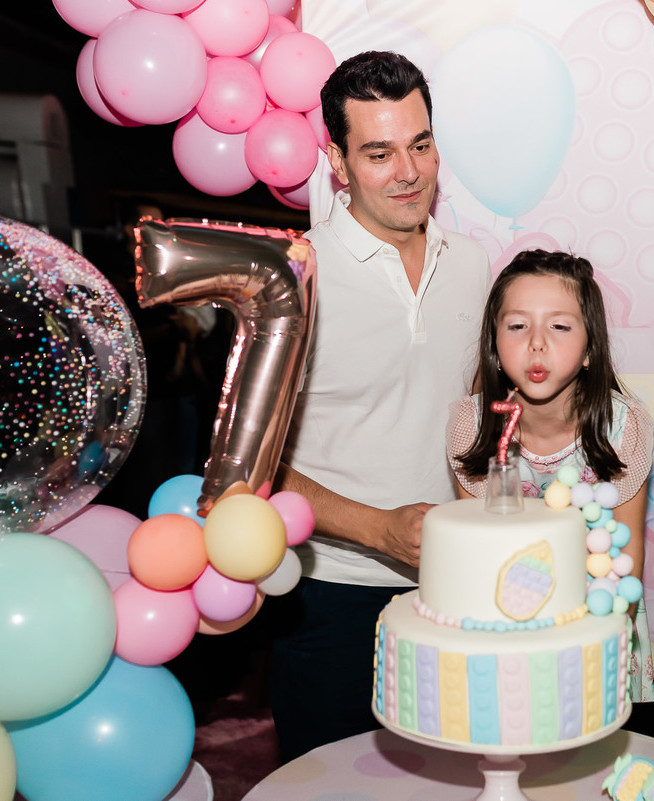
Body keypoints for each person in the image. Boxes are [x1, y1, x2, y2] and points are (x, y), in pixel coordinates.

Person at [266, 50, 490, 761]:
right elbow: (251, 465)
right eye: (379, 153)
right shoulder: (293, 278)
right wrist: (377, 528)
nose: (408, 171)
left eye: (421, 145)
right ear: (337, 161)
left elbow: (476, 417)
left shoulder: (473, 265)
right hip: (327, 596)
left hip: (453, 589)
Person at [445, 249, 654, 699]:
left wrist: (587, 654)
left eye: (559, 326)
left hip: (600, 635)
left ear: (590, 349)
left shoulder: (624, 427)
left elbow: (624, 564)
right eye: (517, 326)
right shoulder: (472, 426)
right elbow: (481, 561)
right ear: (493, 347)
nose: (537, 343)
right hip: (508, 636)